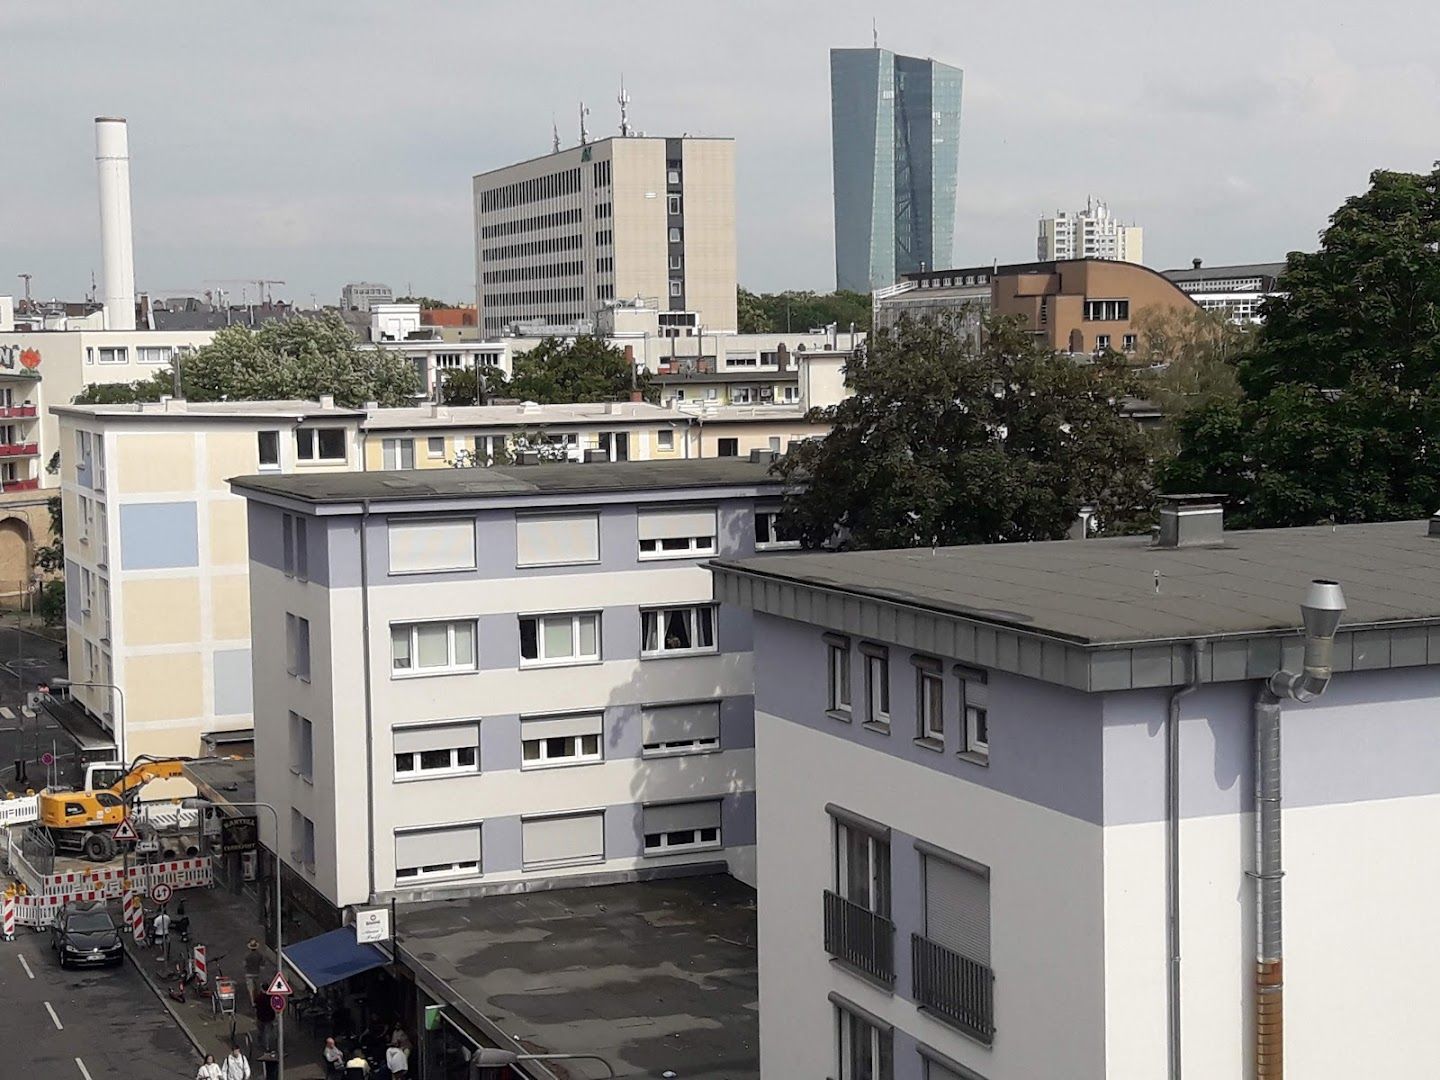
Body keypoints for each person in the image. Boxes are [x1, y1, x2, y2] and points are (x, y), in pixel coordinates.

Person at [242, 939, 263, 1004]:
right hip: (257, 974)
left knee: (251, 989)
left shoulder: (246, 955)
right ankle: (258, 1000)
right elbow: (262, 966)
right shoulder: (260, 955)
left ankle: (253, 1002)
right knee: (257, 988)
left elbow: (244, 965)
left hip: (249, 974)